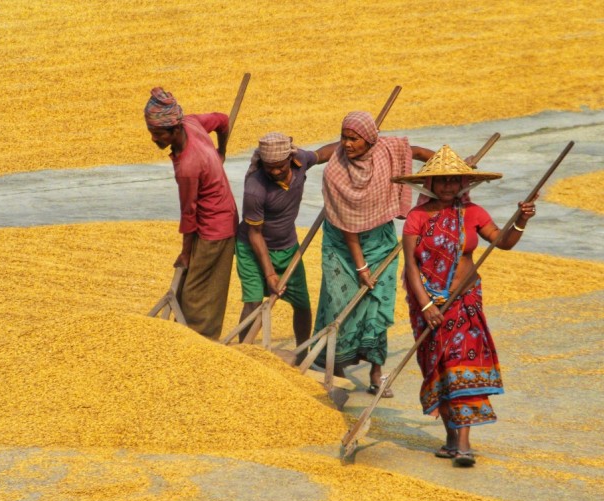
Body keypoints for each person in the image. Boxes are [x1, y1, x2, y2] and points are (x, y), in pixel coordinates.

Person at [395, 145, 536, 467]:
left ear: (463, 182)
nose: (447, 186)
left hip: (466, 303)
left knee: (463, 367)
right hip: (429, 307)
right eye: (441, 180)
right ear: (429, 184)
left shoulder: (473, 213)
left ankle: (463, 443)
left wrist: (521, 220)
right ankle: (450, 437)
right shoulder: (417, 217)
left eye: (453, 180)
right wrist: (427, 304)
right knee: (441, 370)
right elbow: (411, 267)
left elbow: (503, 243)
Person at [315, 111, 433, 397]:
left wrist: (449, 164)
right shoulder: (335, 171)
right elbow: (348, 228)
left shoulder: (386, 150)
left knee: (378, 304)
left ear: (369, 140)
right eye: (343, 137)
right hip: (343, 244)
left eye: (353, 138)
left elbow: (415, 152)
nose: (346, 144)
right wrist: (360, 267)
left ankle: (376, 373)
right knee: (340, 303)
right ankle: (337, 371)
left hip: (380, 239)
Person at [144, 87, 238, 340]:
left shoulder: (188, 166)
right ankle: (186, 337)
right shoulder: (192, 123)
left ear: (174, 130)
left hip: (215, 226)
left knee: (197, 293)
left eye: (158, 133)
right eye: (151, 132)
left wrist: (186, 254)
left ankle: (201, 342)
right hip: (216, 215)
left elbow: (189, 214)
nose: (154, 139)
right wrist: (222, 151)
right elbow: (223, 121)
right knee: (190, 287)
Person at [236, 133, 338, 347]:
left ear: (290, 160)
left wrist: (346, 146)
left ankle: (302, 350)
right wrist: (270, 273)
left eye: (280, 167)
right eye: (268, 167)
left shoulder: (301, 160)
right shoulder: (255, 188)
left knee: (301, 303)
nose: (274, 171)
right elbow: (255, 235)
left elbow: (322, 154)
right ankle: (243, 354)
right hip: (252, 248)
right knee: (253, 302)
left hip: (287, 247)